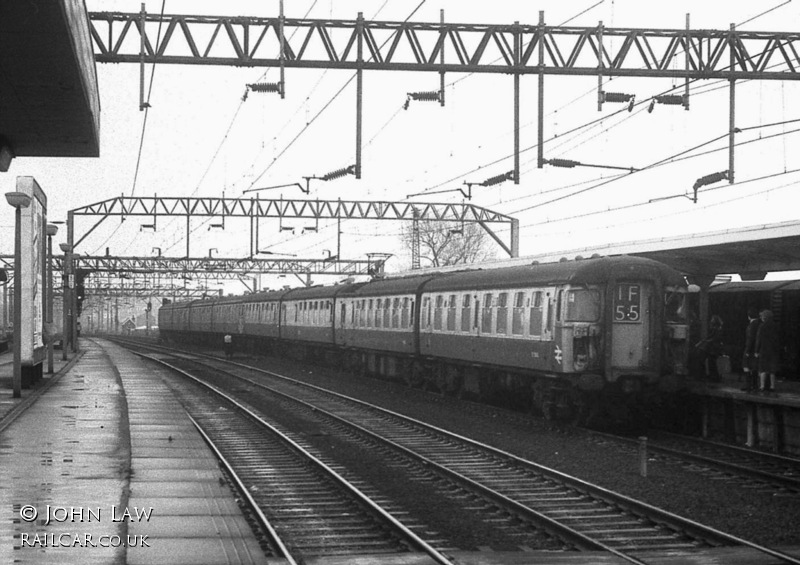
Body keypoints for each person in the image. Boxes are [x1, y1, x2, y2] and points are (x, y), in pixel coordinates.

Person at [755, 309, 779, 392]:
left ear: (764, 317)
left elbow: (759, 340)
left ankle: (762, 386)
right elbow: (777, 339)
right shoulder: (775, 326)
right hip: (773, 351)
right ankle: (772, 386)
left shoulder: (761, 326)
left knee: (762, 369)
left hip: (763, 350)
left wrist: (756, 351)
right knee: (772, 369)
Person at [741, 307, 761, 391]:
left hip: (750, 349)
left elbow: (750, 338)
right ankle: (755, 385)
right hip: (756, 349)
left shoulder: (752, 325)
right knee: (754, 367)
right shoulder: (759, 323)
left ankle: (747, 385)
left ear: (749, 316)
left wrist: (747, 350)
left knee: (746, 366)